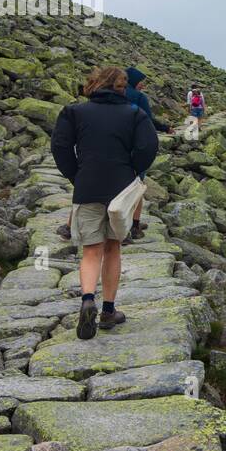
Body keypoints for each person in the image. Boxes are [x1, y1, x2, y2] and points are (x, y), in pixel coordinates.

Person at [51, 66, 158, 340]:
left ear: (94, 85)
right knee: (113, 248)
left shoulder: (74, 112)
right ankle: (108, 311)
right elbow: (148, 147)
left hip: (87, 186)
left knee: (91, 250)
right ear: (122, 87)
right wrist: (132, 171)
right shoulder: (135, 114)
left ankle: (87, 299)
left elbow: (60, 146)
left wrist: (76, 174)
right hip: (120, 189)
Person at [124, 66, 171, 240]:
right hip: (136, 145)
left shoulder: (115, 94)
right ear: (134, 81)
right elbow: (147, 120)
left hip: (116, 145)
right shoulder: (138, 97)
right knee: (137, 186)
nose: (143, 85)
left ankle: (119, 222)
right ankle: (134, 226)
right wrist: (165, 128)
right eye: (141, 82)